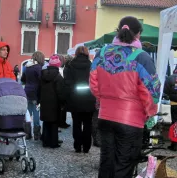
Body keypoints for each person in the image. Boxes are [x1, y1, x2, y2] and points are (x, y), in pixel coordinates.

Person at [90, 16, 161, 178]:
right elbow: (152, 91)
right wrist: (150, 112)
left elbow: (93, 84)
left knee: (106, 164)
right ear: (138, 34)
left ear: (118, 31)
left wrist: (103, 100)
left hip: (105, 117)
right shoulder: (142, 57)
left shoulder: (102, 53)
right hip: (131, 120)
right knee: (124, 166)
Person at [64, 46, 96, 154]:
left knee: (76, 123)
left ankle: (77, 146)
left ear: (76, 53)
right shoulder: (92, 66)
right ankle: (86, 146)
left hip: (75, 98)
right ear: (87, 53)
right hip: (89, 99)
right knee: (88, 124)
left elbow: (67, 84)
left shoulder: (70, 65)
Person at [40, 55, 64, 148]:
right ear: (58, 65)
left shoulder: (43, 74)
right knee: (54, 123)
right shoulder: (58, 77)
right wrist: (62, 102)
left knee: (46, 122)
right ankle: (53, 143)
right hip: (54, 103)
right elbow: (60, 92)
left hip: (44, 102)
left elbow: (39, 88)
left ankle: (45, 142)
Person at [21, 51, 45, 140]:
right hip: (35, 92)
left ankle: (27, 133)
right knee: (36, 113)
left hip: (27, 91)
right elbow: (41, 80)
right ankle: (37, 134)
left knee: (28, 113)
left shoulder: (26, 66)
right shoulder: (38, 67)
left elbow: (23, 79)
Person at [164, 66, 177, 151]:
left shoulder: (170, 78)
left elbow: (165, 92)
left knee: (175, 124)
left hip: (174, 105)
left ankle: (175, 145)